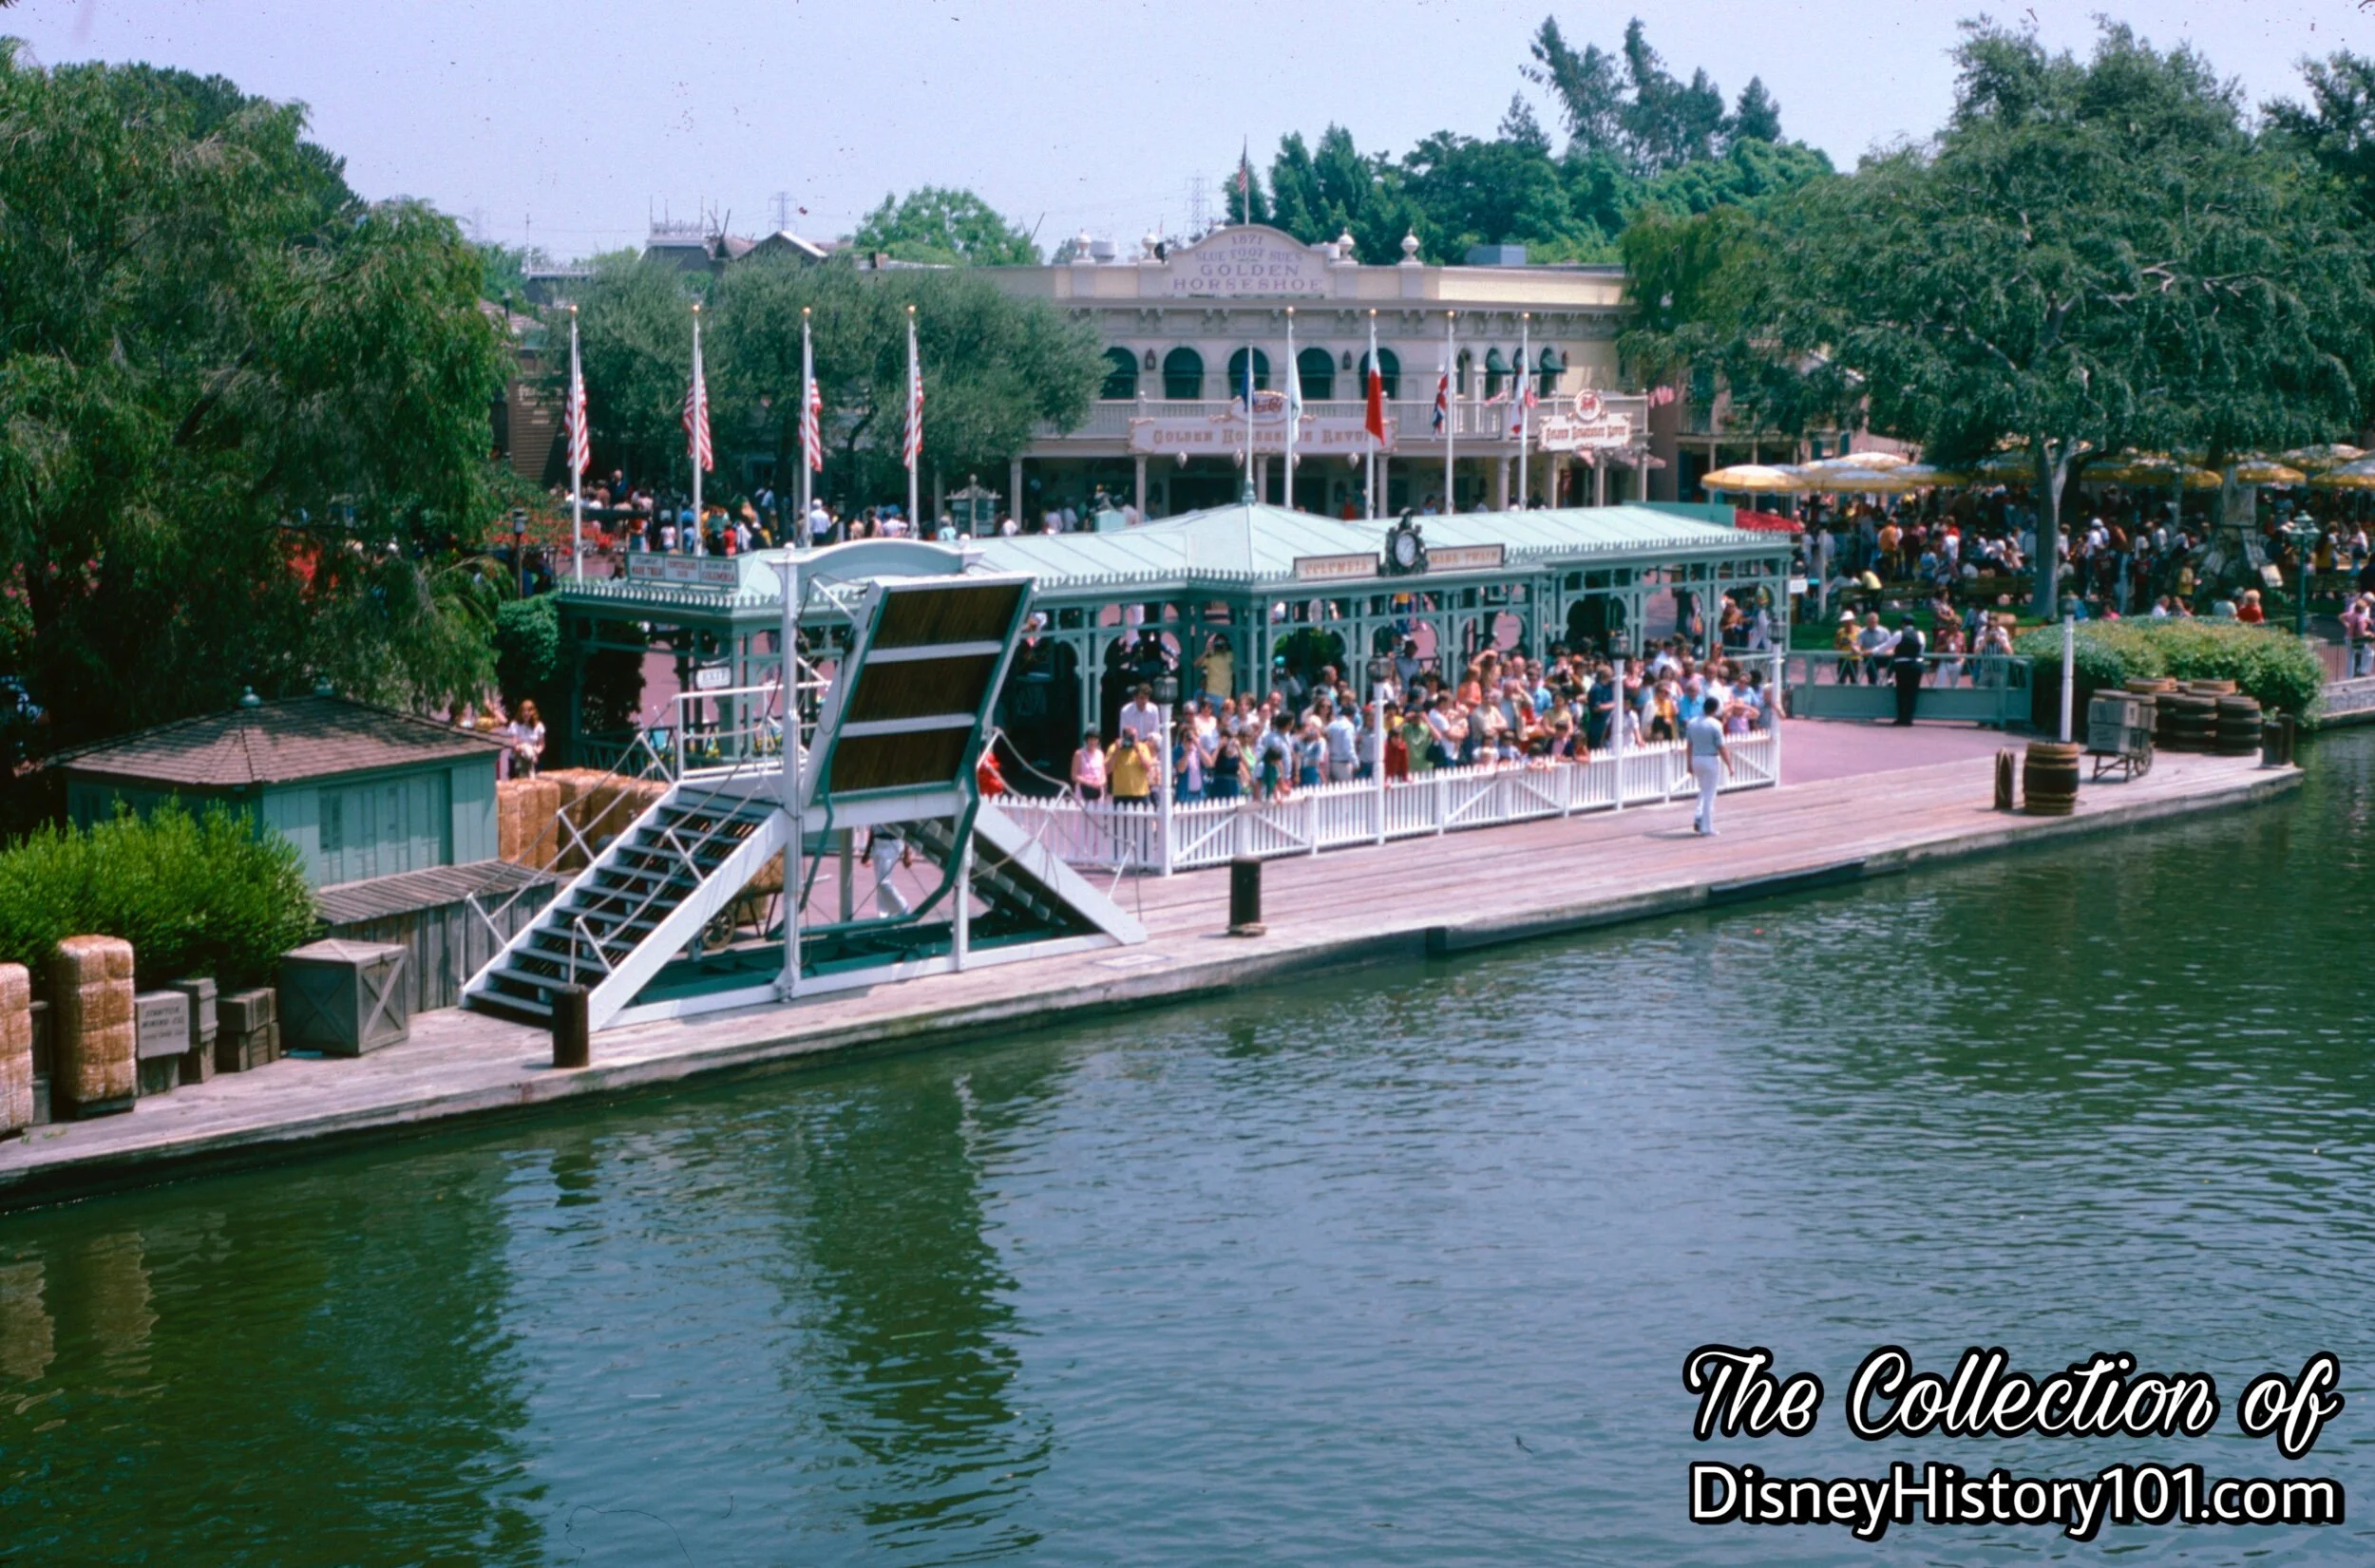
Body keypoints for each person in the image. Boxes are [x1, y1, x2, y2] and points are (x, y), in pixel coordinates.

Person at [1684, 694, 1734, 836]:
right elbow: (1721, 747)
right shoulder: (1715, 724)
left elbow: (1689, 745)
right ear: (1715, 709)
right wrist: (1729, 765)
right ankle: (1707, 827)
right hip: (1710, 759)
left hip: (1696, 758)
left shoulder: (1692, 722)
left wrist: (1689, 763)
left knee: (1703, 790)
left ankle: (1698, 817)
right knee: (1710, 794)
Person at [865, 824, 911, 918]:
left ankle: (903, 906)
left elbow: (907, 826)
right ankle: (883, 914)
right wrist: (867, 852)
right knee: (879, 883)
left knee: (884, 882)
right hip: (877, 843)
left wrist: (907, 852)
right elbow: (872, 829)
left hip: (891, 844)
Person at [1889, 616, 1927, 726]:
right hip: (1916, 665)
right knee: (1913, 693)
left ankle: (1901, 718)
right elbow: (1921, 649)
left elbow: (1887, 645)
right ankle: (1909, 718)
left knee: (1901, 692)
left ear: (1903, 624)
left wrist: (1874, 651)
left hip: (1902, 665)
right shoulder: (1920, 634)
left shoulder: (1899, 634)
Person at [506, 699, 545, 778]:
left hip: (533, 759)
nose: (526, 713)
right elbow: (514, 744)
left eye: (529, 711)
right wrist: (523, 749)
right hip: (517, 760)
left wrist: (536, 752)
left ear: (533, 712)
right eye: (523, 711)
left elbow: (541, 744)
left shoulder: (539, 726)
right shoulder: (515, 725)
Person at [1070, 728, 1107, 803]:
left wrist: (1100, 783)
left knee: (1098, 813)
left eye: (1095, 739)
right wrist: (1088, 782)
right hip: (1083, 790)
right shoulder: (1079, 754)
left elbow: (1103, 776)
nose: (1093, 742)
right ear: (1086, 740)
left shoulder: (1100, 754)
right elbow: (1074, 776)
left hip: (1097, 791)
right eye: (1090, 739)